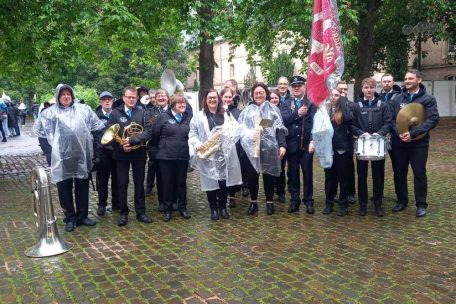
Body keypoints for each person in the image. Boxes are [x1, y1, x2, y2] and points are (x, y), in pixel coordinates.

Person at [33, 84, 104, 232]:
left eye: (68, 94)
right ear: (58, 97)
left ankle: (82, 215)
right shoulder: (49, 113)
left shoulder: (84, 110)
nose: (66, 96)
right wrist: (49, 154)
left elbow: (97, 129)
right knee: (64, 188)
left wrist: (96, 153)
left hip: (81, 156)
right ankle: (70, 217)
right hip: (60, 158)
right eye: (62, 94)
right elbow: (42, 135)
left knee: (82, 187)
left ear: (72, 96)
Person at [390, 69, 439, 217]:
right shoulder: (398, 98)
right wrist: (399, 133)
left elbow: (433, 119)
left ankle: (421, 204)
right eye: (405, 79)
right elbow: (392, 119)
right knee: (399, 172)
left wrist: (412, 134)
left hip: (419, 143)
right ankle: (402, 201)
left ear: (419, 80)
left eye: (410, 78)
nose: (407, 81)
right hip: (400, 142)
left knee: (419, 172)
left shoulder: (428, 99)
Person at [189, 89, 242, 220]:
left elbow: (236, 129)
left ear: (218, 99)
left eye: (214, 97)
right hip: (208, 154)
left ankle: (223, 206)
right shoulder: (199, 116)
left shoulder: (225, 114)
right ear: (205, 100)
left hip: (224, 154)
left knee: (223, 182)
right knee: (210, 182)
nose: (212, 100)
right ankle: (213, 208)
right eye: (209, 98)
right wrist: (196, 144)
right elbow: (192, 133)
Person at [238, 83, 287, 215]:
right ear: (253, 95)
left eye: (261, 92)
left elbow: (279, 128)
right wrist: (250, 133)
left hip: (269, 149)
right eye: (256, 93)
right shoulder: (247, 110)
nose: (258, 95)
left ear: (266, 94)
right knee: (252, 176)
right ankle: (253, 203)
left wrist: (282, 145)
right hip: (251, 150)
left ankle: (269, 202)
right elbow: (241, 128)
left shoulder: (273, 110)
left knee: (268, 175)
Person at [108, 87, 153, 226]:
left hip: (139, 153)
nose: (131, 99)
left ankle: (140, 212)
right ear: (123, 98)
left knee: (139, 184)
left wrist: (133, 141)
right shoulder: (115, 113)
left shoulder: (142, 112)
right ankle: (123, 212)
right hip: (121, 153)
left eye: (134, 97)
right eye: (129, 97)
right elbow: (109, 133)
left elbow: (148, 131)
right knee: (122, 184)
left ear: (136, 98)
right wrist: (122, 145)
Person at [351, 78, 391, 217]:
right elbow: (352, 125)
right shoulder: (356, 106)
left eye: (371, 88)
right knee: (362, 176)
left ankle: (378, 205)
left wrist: (379, 134)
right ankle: (362, 205)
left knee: (378, 176)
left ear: (375, 88)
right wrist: (361, 134)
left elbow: (388, 123)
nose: (368, 90)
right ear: (362, 89)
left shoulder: (383, 105)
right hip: (362, 144)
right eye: (366, 87)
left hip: (378, 144)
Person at [279, 75, 316, 214]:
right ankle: (295, 200)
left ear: (304, 87)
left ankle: (308, 201)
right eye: (294, 86)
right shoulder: (286, 103)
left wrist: (313, 140)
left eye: (299, 86)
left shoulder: (311, 103)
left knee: (307, 174)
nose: (296, 88)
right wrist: (297, 113)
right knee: (292, 174)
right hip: (292, 145)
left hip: (306, 145)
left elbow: (314, 123)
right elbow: (284, 120)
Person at [153, 94, 192, 222]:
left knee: (181, 183)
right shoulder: (163, 117)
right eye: (179, 103)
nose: (182, 105)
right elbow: (155, 135)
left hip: (182, 156)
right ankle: (167, 209)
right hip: (166, 157)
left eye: (184, 103)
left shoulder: (188, 118)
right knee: (167, 183)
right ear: (173, 105)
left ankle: (183, 208)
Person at [323, 89, 354, 215]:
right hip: (328, 150)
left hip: (342, 150)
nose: (334, 97)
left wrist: (343, 100)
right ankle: (329, 203)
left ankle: (343, 204)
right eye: (332, 95)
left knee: (343, 178)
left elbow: (349, 119)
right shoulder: (324, 110)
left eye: (337, 95)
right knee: (329, 179)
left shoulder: (345, 110)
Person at [95, 91, 119, 216]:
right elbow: (93, 136)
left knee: (117, 179)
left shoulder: (117, 114)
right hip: (103, 153)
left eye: (109, 99)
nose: (107, 101)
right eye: (104, 99)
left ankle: (116, 203)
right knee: (102, 181)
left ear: (112, 101)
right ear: (101, 101)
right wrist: (96, 155)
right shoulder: (95, 116)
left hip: (116, 152)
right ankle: (101, 205)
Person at [145, 89, 169, 214]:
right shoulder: (150, 112)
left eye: (163, 96)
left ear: (168, 97)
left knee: (171, 176)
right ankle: (162, 202)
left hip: (170, 148)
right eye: (158, 96)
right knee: (160, 176)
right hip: (156, 148)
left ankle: (172, 200)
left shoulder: (172, 110)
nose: (160, 98)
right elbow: (150, 129)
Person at [336, 80, 356, 204]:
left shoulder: (352, 105)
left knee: (348, 167)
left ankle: (350, 193)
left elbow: (350, 119)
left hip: (347, 141)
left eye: (345, 89)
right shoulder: (331, 105)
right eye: (340, 90)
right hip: (334, 141)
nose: (343, 92)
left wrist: (343, 101)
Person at [269, 89, 287, 203]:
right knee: (270, 169)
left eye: (276, 98)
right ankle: (271, 191)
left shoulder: (283, 110)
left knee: (280, 169)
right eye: (272, 98)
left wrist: (282, 145)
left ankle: (281, 192)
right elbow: (263, 126)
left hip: (280, 143)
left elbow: (281, 128)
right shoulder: (265, 111)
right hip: (269, 145)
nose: (274, 100)